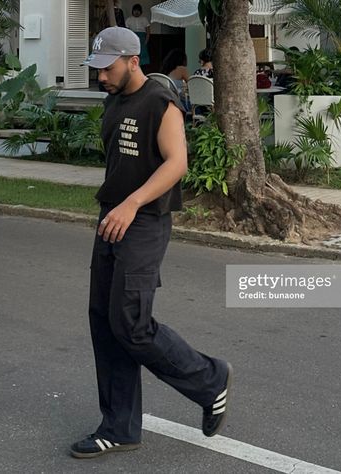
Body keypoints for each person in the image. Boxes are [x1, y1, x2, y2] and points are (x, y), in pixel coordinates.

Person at [72, 26, 233, 459]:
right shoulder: (114, 100)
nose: (101, 77)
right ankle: (120, 427)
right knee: (104, 322)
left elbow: (177, 163)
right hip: (113, 217)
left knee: (130, 323)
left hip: (143, 221)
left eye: (107, 68)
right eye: (97, 69)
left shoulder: (160, 102)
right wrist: (114, 206)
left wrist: (131, 204)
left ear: (131, 60)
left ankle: (209, 379)